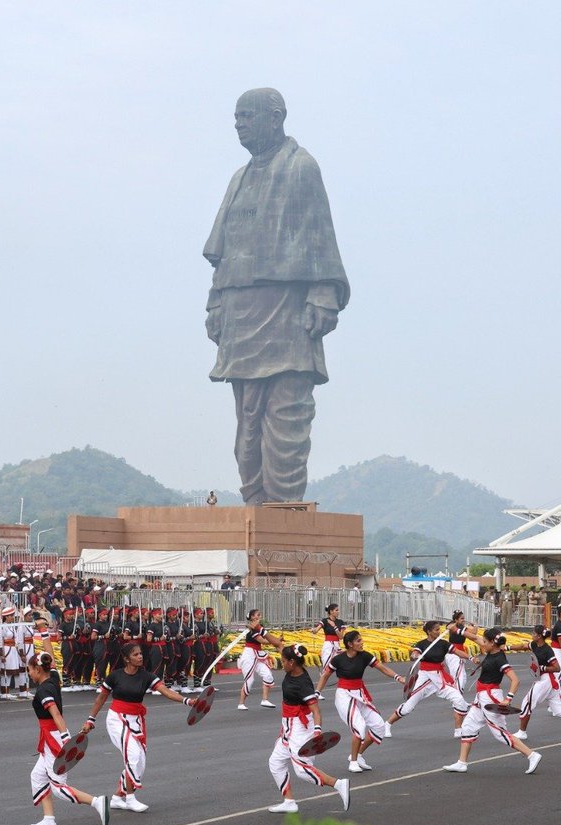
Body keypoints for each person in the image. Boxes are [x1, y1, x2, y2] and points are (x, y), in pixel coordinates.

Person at [202, 88, 349, 505]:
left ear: (276, 117)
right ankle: (255, 511)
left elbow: (321, 238)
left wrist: (323, 293)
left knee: (286, 422)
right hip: (241, 316)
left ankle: (285, 518)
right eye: (236, 117)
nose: (239, 123)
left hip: (287, 316)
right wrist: (215, 304)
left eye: (247, 115)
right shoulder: (239, 178)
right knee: (247, 430)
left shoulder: (301, 167)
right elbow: (222, 253)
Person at [80, 641, 199, 813]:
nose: (140, 656)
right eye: (136, 654)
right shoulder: (115, 676)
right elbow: (101, 699)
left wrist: (187, 701)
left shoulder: (147, 676)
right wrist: (91, 720)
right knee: (133, 756)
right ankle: (130, 799)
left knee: (139, 763)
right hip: (116, 719)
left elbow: (166, 691)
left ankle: (117, 797)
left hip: (136, 720)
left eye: (141, 653)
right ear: (127, 659)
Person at [26, 651, 111, 825]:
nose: (29, 674)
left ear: (38, 669)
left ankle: (96, 802)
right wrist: (44, 633)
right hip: (54, 735)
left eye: (30, 670)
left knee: (57, 787)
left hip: (54, 738)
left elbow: (55, 713)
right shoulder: (53, 678)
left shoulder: (43, 690)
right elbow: (48, 654)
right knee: (38, 776)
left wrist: (65, 738)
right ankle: (49, 819)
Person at [442, 627, 542, 775]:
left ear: (492, 643)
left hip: (490, 696)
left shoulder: (499, 658)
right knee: (468, 727)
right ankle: (462, 763)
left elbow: (515, 680)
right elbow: (473, 637)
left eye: (485, 641)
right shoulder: (491, 649)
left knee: (499, 733)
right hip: (481, 696)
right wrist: (456, 629)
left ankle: (532, 755)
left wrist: (508, 698)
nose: (482, 642)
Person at [267, 643, 350, 814]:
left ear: (292, 662)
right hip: (288, 726)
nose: (281, 664)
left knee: (302, 770)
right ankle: (289, 801)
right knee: (275, 762)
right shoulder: (292, 666)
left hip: (300, 727)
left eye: (283, 661)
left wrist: (317, 732)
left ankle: (338, 784)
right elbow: (279, 646)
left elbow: (316, 711)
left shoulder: (303, 684)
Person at [315, 630, 404, 773]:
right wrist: (317, 692)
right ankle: (354, 762)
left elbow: (382, 668)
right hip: (344, 695)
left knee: (379, 726)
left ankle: (357, 755)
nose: (362, 642)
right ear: (350, 644)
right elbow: (325, 675)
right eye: (358, 641)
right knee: (359, 726)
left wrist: (398, 677)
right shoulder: (338, 659)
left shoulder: (365, 656)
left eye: (361, 640)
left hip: (360, 693)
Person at [385, 620, 470, 739]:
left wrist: (471, 657)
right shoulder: (422, 644)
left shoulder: (443, 643)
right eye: (436, 630)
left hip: (440, 677)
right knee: (408, 707)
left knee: (459, 699)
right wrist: (416, 655)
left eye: (439, 629)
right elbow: (414, 654)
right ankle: (387, 724)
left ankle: (458, 730)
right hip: (425, 677)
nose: (439, 631)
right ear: (429, 632)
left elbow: (457, 652)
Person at [238, 608, 284, 710]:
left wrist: (276, 640)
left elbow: (264, 639)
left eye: (259, 614)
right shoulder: (252, 628)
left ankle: (265, 699)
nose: (259, 616)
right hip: (249, 654)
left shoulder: (258, 627)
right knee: (249, 679)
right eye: (257, 615)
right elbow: (262, 641)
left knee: (267, 674)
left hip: (257, 654)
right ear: (252, 617)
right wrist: (276, 641)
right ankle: (241, 703)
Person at [310, 603, 346, 688]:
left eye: (338, 610)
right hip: (328, 646)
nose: (338, 612)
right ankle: (318, 690)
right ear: (331, 611)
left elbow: (341, 637)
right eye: (336, 610)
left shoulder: (340, 622)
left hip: (337, 646)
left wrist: (335, 627)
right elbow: (316, 630)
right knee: (326, 669)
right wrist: (313, 630)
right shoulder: (325, 621)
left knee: (343, 665)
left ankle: (345, 686)